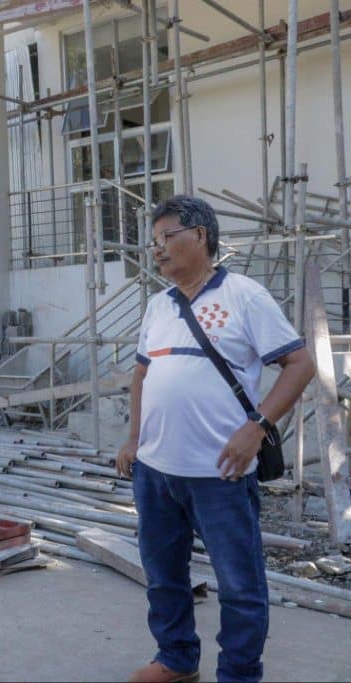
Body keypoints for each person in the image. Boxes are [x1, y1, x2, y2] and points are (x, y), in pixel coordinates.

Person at [116, 196, 315, 683]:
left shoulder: (244, 296)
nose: (157, 250)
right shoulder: (158, 305)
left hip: (220, 476)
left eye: (166, 238)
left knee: (240, 586)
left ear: (199, 236)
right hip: (156, 472)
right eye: (153, 241)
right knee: (164, 577)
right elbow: (142, 377)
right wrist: (132, 439)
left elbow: (300, 364)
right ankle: (176, 659)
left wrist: (257, 427)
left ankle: (239, 674)